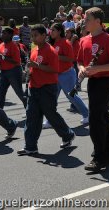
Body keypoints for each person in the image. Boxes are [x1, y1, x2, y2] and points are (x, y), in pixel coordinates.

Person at [77, 7, 109, 172]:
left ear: (98, 22)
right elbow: (79, 61)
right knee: (103, 115)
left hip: (106, 81)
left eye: (88, 19)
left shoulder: (107, 40)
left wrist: (99, 69)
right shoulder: (84, 40)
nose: (84, 21)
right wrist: (82, 68)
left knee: (95, 119)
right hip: (93, 82)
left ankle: (99, 156)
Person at [17, 24, 75, 156]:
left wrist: (37, 66)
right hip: (34, 87)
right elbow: (33, 67)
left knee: (51, 114)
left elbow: (54, 69)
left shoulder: (51, 51)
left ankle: (67, 135)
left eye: (36, 35)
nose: (33, 38)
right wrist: (30, 73)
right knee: (32, 117)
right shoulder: (34, 50)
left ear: (44, 35)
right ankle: (30, 146)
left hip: (47, 88)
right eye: (32, 36)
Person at [42, 23, 89, 129]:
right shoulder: (52, 43)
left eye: (53, 30)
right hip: (55, 75)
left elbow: (71, 59)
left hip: (66, 74)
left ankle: (87, 114)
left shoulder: (65, 43)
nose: (51, 32)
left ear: (59, 31)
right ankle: (50, 120)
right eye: (50, 30)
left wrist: (55, 56)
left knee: (71, 96)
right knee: (52, 98)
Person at [0, 28, 27, 111]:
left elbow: (16, 61)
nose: (2, 34)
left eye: (4, 33)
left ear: (10, 35)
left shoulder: (13, 46)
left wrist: (2, 57)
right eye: (2, 33)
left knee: (19, 92)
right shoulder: (1, 45)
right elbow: (0, 58)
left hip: (14, 71)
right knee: (0, 92)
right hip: (3, 72)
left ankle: (30, 110)